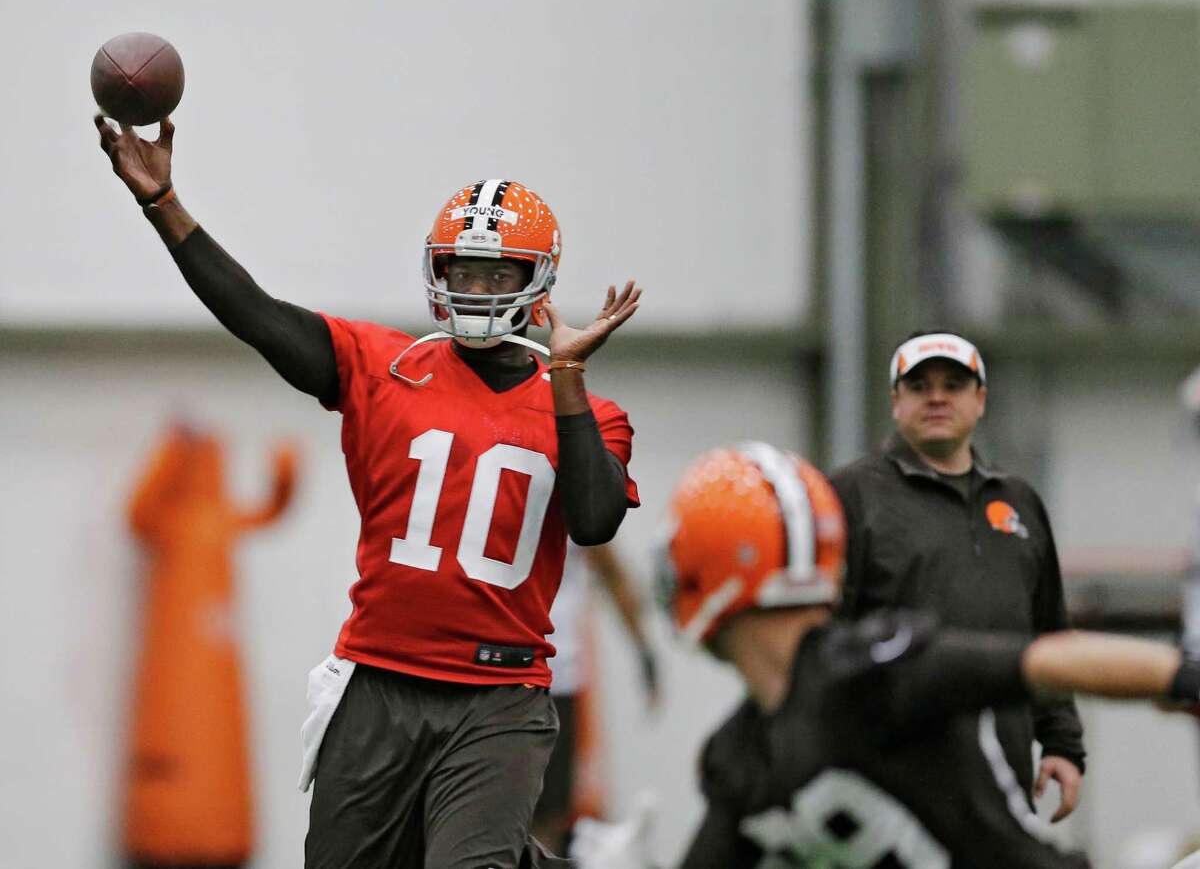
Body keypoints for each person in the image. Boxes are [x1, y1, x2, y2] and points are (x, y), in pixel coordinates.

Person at [94, 115, 641, 869]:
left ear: (537, 281)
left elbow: (595, 521)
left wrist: (570, 378)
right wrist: (164, 205)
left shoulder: (588, 413)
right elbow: (256, 313)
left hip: (499, 693)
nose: (476, 290)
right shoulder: (387, 366)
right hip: (378, 685)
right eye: (462, 271)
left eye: (497, 274)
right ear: (436, 273)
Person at [648, 442, 1200, 868]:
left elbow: (1047, 660)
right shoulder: (738, 756)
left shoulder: (871, 671)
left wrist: (1183, 675)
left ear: (714, 566)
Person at [829, 330, 1086, 821]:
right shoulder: (850, 496)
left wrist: (1061, 743)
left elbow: (1049, 629)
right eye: (921, 386)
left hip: (1003, 779)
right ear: (896, 401)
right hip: (893, 781)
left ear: (980, 399)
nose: (938, 397)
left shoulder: (1019, 502)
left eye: (954, 384)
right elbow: (823, 640)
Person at [533, 540, 660, 854]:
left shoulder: (570, 497)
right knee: (536, 815)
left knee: (546, 814)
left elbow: (610, 569)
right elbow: (613, 572)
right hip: (536, 673)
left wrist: (644, 649)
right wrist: (644, 650)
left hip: (553, 675)